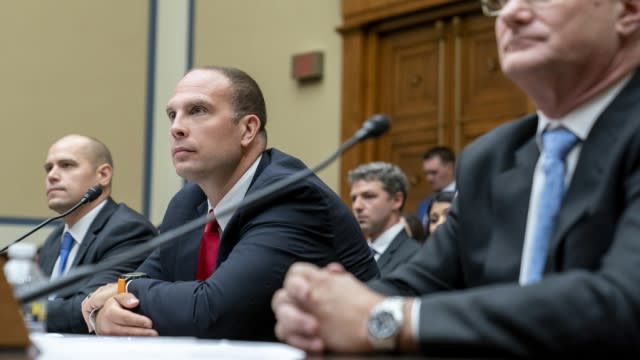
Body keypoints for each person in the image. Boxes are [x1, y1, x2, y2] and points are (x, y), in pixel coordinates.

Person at [271, 0, 640, 356]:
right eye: (500, 1)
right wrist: (323, 309)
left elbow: (623, 302)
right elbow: (423, 281)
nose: (510, 13)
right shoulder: (492, 157)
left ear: (628, 11)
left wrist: (386, 320)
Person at [81, 66, 378, 340]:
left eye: (197, 111)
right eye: (172, 115)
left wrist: (125, 291)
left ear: (247, 129)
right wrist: (109, 310)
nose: (176, 128)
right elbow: (147, 277)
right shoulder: (188, 203)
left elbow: (215, 311)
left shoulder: (290, 195)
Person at [38, 134, 157, 333]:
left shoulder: (128, 230)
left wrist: (14, 311)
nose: (52, 175)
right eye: (49, 168)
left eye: (66, 165)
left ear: (103, 175)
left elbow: (87, 308)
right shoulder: (53, 240)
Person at [348, 162, 420, 275]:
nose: (357, 206)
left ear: (397, 200)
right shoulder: (351, 254)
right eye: (354, 198)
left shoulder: (416, 257)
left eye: (368, 196)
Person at [415, 146, 456, 231]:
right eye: (426, 173)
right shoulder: (424, 205)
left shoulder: (467, 198)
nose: (428, 178)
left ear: (450, 168)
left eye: (434, 172)